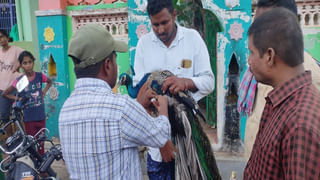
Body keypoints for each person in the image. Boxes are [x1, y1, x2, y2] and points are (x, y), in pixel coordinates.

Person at [59, 24, 172, 180]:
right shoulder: (120, 107)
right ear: (107, 65)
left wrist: (138, 106)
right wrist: (163, 111)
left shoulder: (66, 110)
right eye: (115, 59)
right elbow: (160, 135)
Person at [133, 0, 214, 179]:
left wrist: (186, 82)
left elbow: (209, 82)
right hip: (155, 135)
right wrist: (160, 138)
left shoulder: (192, 39)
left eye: (164, 23)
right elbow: (141, 91)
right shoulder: (143, 45)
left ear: (174, 15)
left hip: (186, 130)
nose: (160, 30)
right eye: (155, 24)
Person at [243, 8, 320, 179]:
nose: (248, 60)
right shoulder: (280, 100)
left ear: (269, 56)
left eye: (252, 52)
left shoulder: (300, 126)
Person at [2, 51, 52, 155]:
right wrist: (18, 99)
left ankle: (42, 167)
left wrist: (43, 92)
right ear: (21, 65)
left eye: (30, 62)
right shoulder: (19, 81)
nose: (28, 65)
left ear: (33, 63)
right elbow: (5, 94)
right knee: (32, 142)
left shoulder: (39, 76)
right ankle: (36, 165)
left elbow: (49, 81)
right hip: (29, 118)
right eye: (25, 63)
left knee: (41, 142)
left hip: (41, 116)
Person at [0, 29, 23, 131]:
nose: (0, 39)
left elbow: (28, 57)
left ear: (7, 37)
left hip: (15, 88)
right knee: (4, 116)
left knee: (17, 116)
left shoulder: (16, 50)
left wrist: (18, 64)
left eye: (1, 37)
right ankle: (10, 140)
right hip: (2, 89)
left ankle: (20, 138)